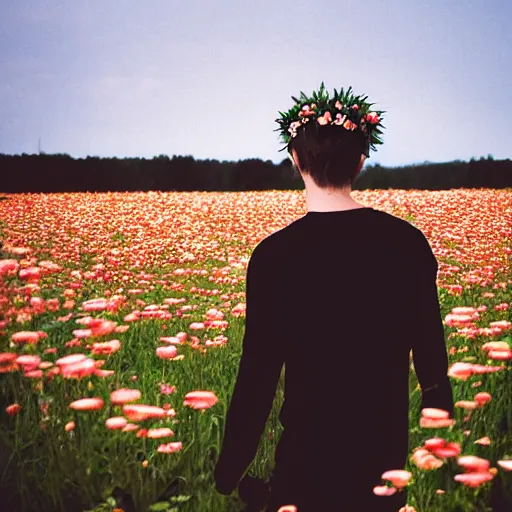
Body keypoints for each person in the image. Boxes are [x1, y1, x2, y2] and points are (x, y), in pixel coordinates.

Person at [214, 83, 454, 511]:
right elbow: (431, 356)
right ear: (361, 161)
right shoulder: (406, 243)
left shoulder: (274, 256)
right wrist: (441, 431)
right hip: (382, 465)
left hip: (304, 467)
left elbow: (258, 374)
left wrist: (230, 468)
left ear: (295, 160)